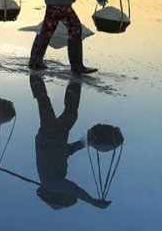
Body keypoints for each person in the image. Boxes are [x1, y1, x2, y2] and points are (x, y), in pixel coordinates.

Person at [30, 74, 109, 210]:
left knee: (45, 104)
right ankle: (74, 83)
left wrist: (92, 201)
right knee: (70, 113)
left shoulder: (51, 184)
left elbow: (73, 189)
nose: (68, 194)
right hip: (57, 136)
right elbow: (67, 151)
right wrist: (87, 141)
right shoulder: (54, 176)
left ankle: (35, 75)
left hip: (49, 136)